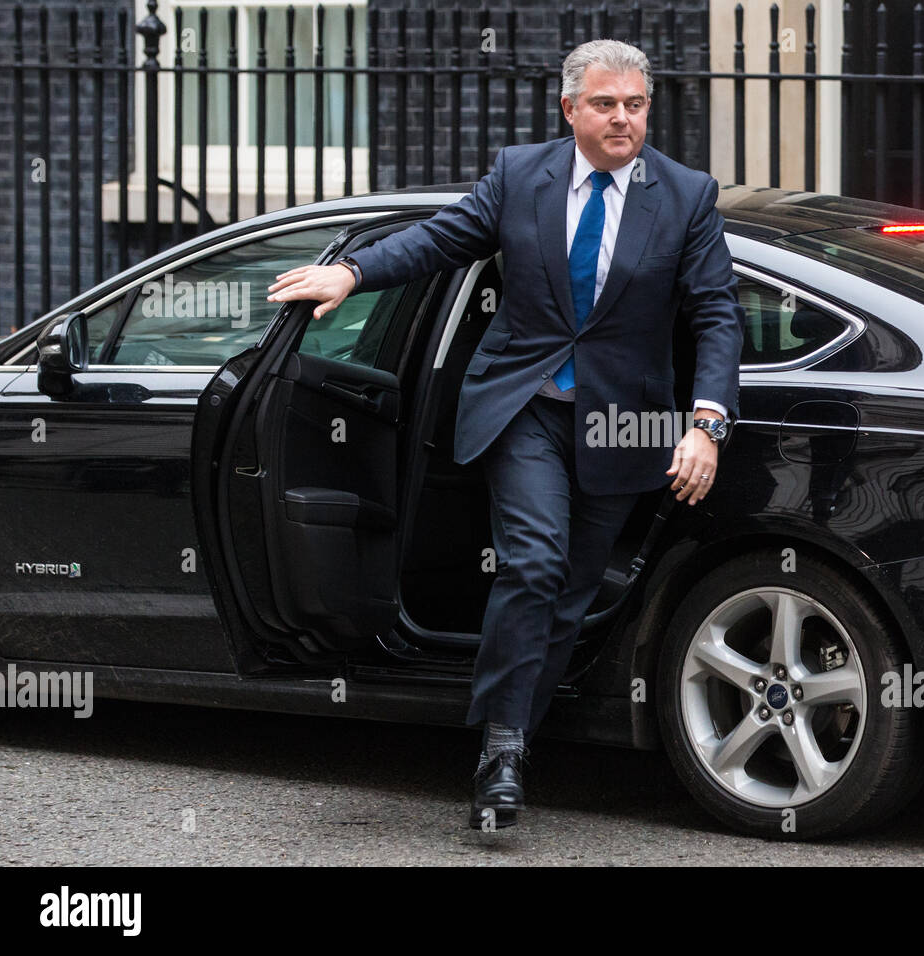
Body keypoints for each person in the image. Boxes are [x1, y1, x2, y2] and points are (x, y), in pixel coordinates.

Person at [267, 38, 743, 829]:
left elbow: (717, 313)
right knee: (533, 560)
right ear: (570, 109)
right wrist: (352, 274)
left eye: (635, 104)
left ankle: (517, 720)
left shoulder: (687, 197)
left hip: (625, 421)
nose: (623, 118)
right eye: (605, 104)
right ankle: (502, 747)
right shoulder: (522, 175)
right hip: (524, 404)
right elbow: (441, 239)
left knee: (571, 594)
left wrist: (705, 424)